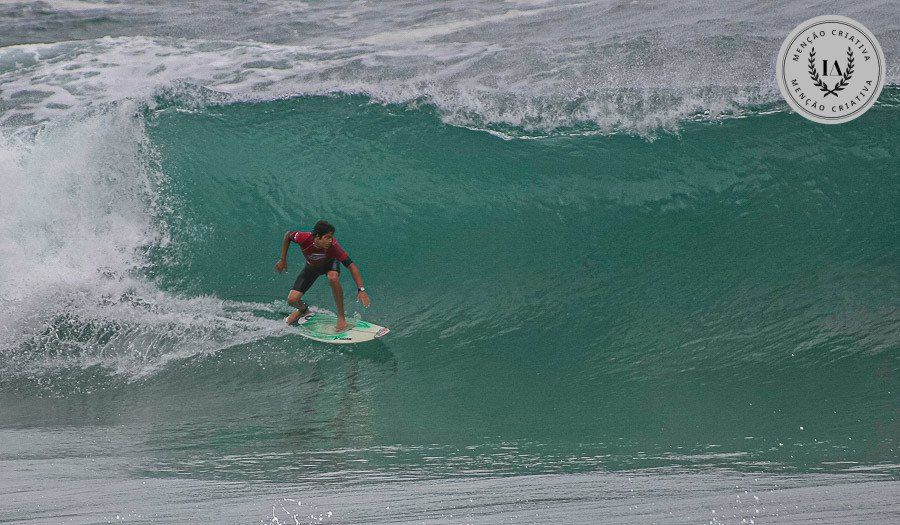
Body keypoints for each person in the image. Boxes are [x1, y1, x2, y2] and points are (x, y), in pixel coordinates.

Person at [275, 220, 370, 331]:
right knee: (292, 300)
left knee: (332, 277)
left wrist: (361, 289)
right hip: (312, 268)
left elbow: (351, 266)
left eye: (331, 237)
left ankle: (341, 318)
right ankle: (303, 310)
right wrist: (283, 259)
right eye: (327, 237)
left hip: (330, 265)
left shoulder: (334, 247)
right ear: (317, 236)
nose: (330, 241)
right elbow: (288, 235)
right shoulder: (303, 238)